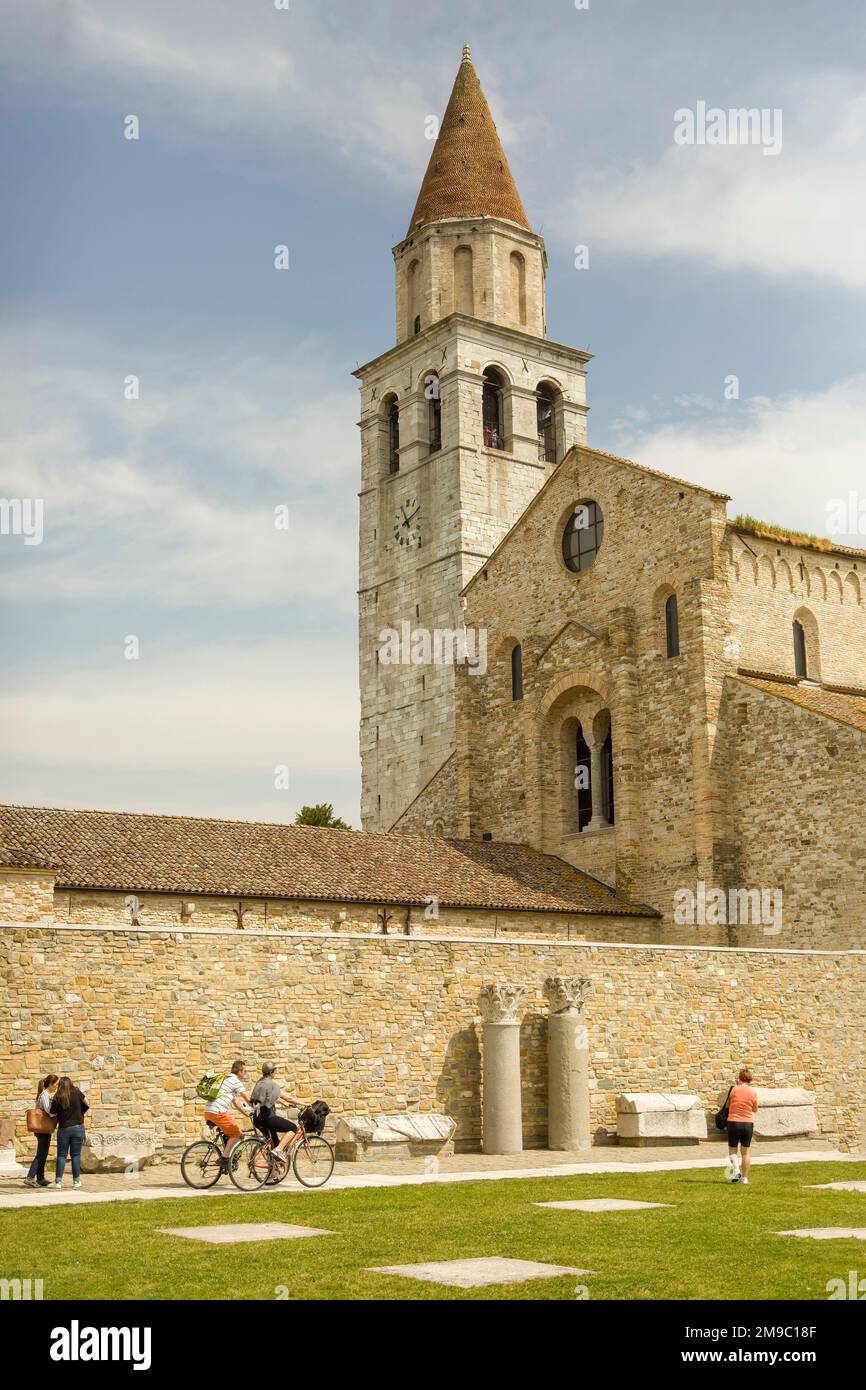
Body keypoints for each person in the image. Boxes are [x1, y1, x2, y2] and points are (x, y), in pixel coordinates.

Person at [203, 1059, 252, 1160]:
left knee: (230, 1133)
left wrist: (245, 1113)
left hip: (208, 1111)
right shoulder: (235, 1081)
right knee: (237, 1134)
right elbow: (247, 1098)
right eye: (245, 1071)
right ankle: (224, 1159)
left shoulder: (225, 1079)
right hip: (218, 1111)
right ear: (239, 1072)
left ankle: (228, 1156)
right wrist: (258, 1107)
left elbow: (235, 1102)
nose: (245, 1074)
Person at [250, 1062, 301, 1154]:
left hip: (257, 1119)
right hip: (267, 1118)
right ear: (271, 1072)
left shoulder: (260, 1082)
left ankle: (273, 1163)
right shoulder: (272, 1085)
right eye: (275, 1070)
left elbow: (266, 1098)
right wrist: (305, 1103)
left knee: (274, 1142)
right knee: (293, 1128)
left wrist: (283, 1103)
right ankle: (278, 1150)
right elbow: (289, 1098)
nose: (276, 1072)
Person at [48, 1076, 89, 1190]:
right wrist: (80, 1112)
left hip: (64, 1128)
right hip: (78, 1127)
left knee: (62, 1155)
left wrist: (60, 1114)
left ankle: (58, 1182)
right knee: (75, 1155)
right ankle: (76, 1181)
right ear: (71, 1083)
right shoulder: (76, 1092)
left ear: (60, 1085)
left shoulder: (58, 1096)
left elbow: (51, 1113)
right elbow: (87, 1103)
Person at [24, 1073, 59, 1188]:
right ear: (50, 1084)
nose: (57, 1087)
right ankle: (30, 1177)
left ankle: (40, 1178)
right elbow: (49, 1110)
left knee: (43, 1153)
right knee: (41, 1154)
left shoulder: (46, 1094)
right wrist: (58, 1112)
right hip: (42, 1128)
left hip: (45, 1129)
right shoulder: (44, 1095)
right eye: (56, 1084)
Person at [725, 1067, 758, 1184]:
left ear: (740, 1078)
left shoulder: (733, 1090)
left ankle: (736, 1170)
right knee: (745, 1152)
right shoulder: (753, 1092)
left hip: (733, 1122)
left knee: (733, 1151)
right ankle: (745, 1178)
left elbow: (728, 1105)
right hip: (747, 1123)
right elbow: (755, 1109)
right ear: (750, 1079)